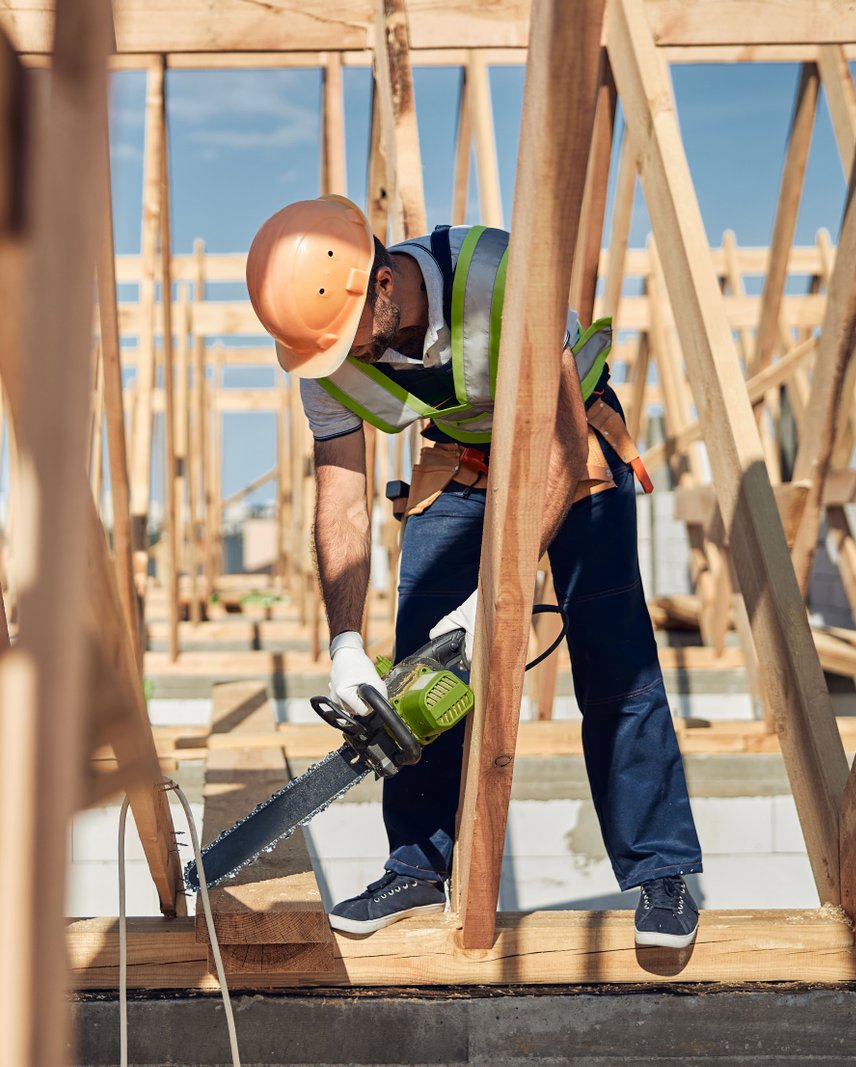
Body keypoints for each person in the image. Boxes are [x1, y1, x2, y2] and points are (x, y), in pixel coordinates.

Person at [244, 195, 703, 948]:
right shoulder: (317, 349)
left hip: (570, 437)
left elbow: (554, 448)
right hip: (466, 456)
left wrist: (500, 593)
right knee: (423, 661)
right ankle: (417, 867)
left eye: (346, 341)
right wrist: (344, 645)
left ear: (381, 283)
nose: (341, 360)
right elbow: (342, 498)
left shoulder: (503, 278)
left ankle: (662, 872)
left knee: (613, 656)